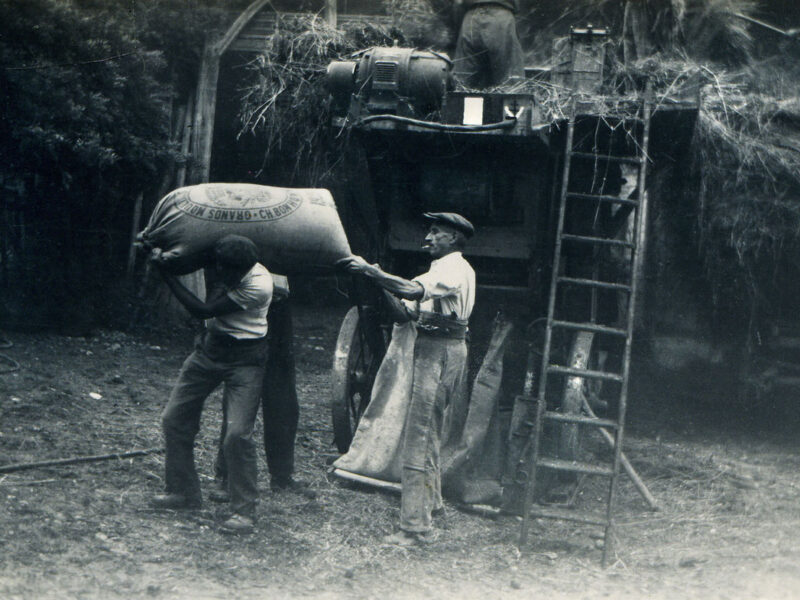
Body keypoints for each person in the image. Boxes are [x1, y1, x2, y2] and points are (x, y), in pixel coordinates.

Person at [338, 212, 476, 545]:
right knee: (428, 431)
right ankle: (432, 502)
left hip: (440, 349)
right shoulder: (442, 268)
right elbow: (406, 312)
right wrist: (375, 282)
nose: (427, 238)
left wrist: (372, 271)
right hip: (437, 345)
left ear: (454, 238)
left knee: (419, 434)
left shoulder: (454, 268)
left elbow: (412, 292)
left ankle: (415, 528)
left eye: (435, 232)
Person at [150, 234, 273, 535]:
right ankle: (183, 492)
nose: (233, 277)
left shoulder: (259, 283)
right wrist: (157, 251)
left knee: (237, 435)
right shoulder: (216, 262)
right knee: (174, 419)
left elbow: (202, 310)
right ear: (218, 264)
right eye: (228, 271)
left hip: (246, 358)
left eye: (239, 273)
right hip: (208, 351)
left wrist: (165, 274)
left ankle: (244, 512)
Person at [211, 287, 315, 501]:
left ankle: (282, 476)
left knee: (283, 398)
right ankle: (225, 476)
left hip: (279, 308)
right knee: (239, 397)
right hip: (248, 305)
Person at [452, 0, 525, 89]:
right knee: (511, 85)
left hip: (471, 18)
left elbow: (458, 3)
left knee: (463, 86)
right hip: (500, 16)